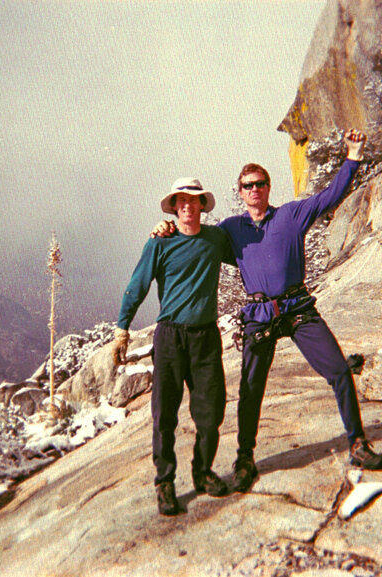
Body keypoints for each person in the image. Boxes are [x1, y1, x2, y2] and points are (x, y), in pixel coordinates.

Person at [152, 130, 382, 494]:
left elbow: (331, 196)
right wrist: (166, 229)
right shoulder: (229, 230)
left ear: (268, 187)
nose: (254, 189)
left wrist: (353, 155)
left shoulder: (291, 215)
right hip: (259, 314)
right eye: (247, 186)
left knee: (339, 369)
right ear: (240, 192)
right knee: (250, 389)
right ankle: (245, 459)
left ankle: (357, 442)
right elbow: (196, 236)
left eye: (260, 183)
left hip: (297, 308)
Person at [113, 177, 235, 516]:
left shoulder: (216, 239)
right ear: (174, 207)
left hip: (206, 336)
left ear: (202, 206)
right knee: (164, 413)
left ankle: (203, 472)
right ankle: (164, 482)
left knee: (210, 411)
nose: (187, 206)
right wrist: (122, 328)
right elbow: (137, 284)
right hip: (169, 337)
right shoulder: (160, 243)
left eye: (193, 200)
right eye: (181, 201)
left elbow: (247, 255)